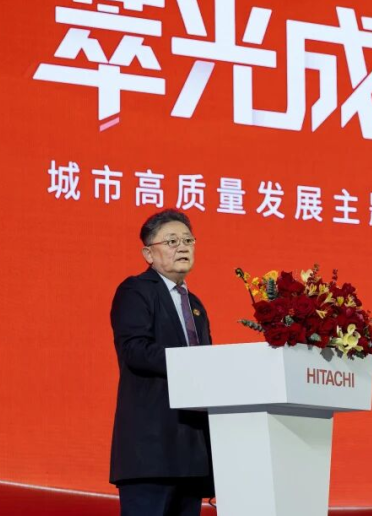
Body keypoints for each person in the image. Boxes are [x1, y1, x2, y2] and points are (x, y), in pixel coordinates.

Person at [109, 209, 213, 516]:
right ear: (148, 254)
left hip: (191, 453)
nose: (182, 247)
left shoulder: (195, 304)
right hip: (151, 449)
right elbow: (135, 350)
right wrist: (191, 363)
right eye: (171, 241)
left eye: (187, 240)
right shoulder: (136, 290)